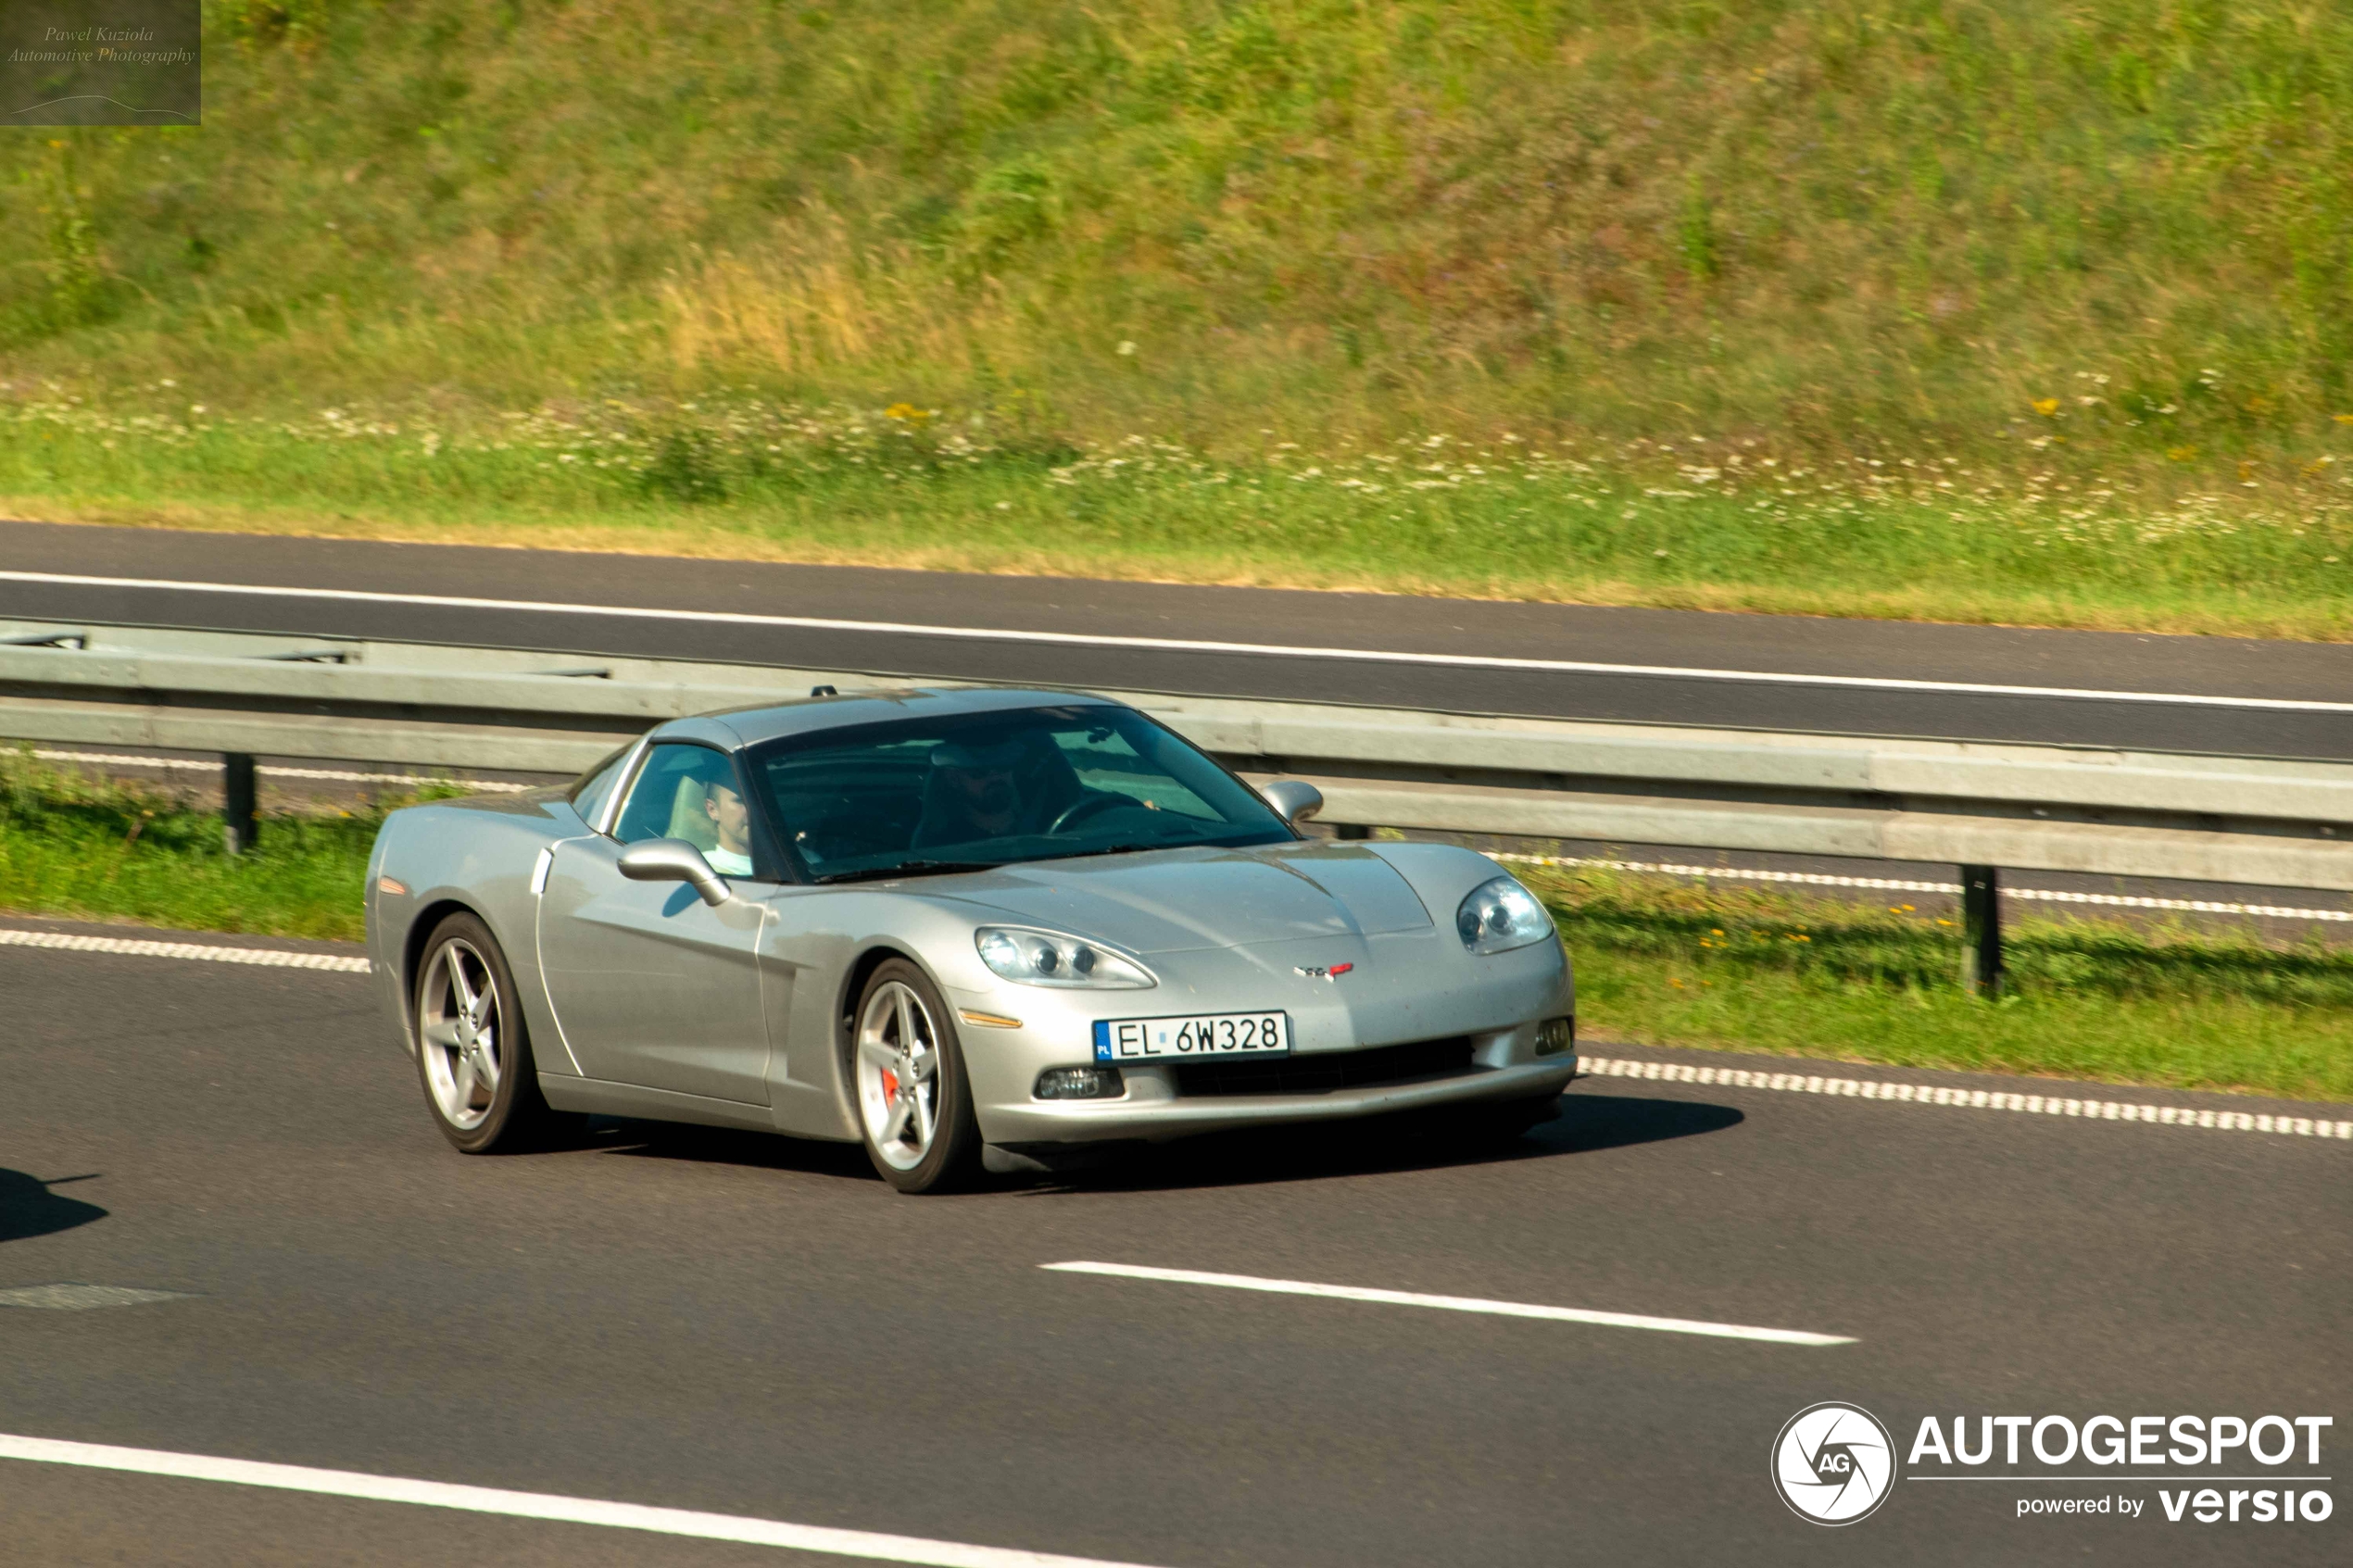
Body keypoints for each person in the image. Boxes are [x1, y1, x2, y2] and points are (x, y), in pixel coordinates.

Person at [700, 776, 757, 876]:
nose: (753, 808)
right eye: (741, 801)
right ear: (712, 810)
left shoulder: (787, 857)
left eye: (758, 800)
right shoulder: (701, 870)